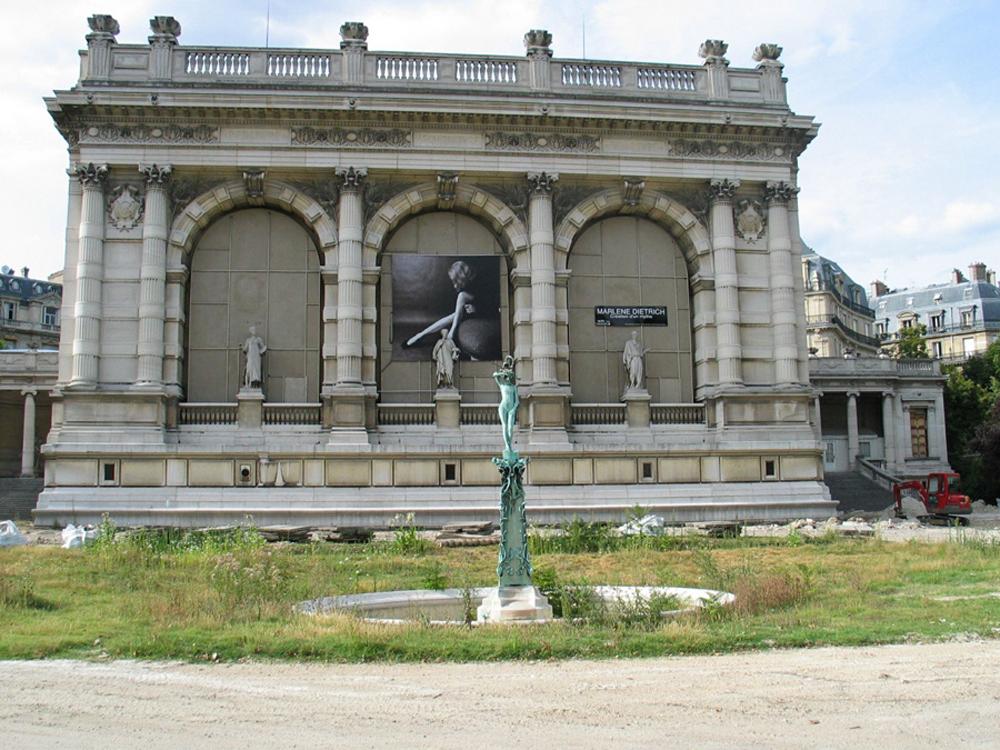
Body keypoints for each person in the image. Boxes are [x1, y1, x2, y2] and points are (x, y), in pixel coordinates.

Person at [405, 260, 477, 350]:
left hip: (484, 312)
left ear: (461, 277)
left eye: (456, 281)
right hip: (471, 309)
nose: (455, 285)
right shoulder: (468, 282)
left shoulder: (479, 280)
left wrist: (478, 308)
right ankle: (421, 334)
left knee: (461, 297)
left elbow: (493, 301)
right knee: (454, 315)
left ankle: (450, 335)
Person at [493, 355, 518, 457]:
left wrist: (513, 409)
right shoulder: (502, 385)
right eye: (506, 377)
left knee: (510, 428)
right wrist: (503, 371)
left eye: (508, 376)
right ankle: (507, 446)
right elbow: (494, 375)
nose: (507, 378)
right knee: (504, 426)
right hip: (503, 407)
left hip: (511, 409)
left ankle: (510, 445)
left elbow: (517, 401)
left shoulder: (513, 387)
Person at [242, 325, 267, 390]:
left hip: (256, 357)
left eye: (254, 330)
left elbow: (263, 347)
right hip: (250, 356)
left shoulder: (258, 339)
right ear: (250, 331)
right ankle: (248, 384)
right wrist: (241, 348)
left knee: (256, 370)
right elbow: (245, 349)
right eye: (252, 330)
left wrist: (262, 351)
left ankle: (255, 385)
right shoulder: (248, 340)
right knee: (249, 369)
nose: (254, 331)